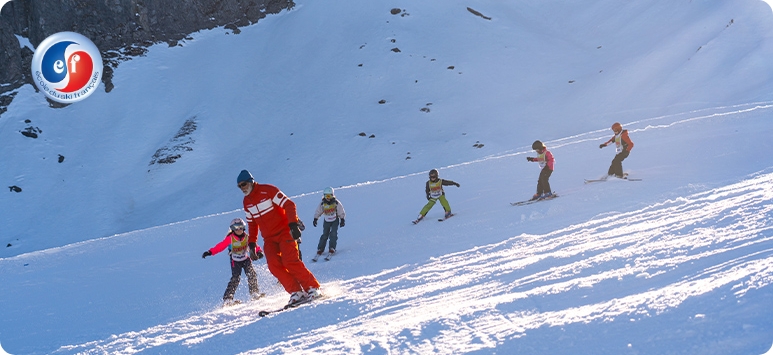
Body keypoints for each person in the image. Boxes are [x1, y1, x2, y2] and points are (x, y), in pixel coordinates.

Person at [236, 169, 321, 306]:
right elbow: (252, 224)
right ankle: (296, 292)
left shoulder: (268, 190)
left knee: (290, 261)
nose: (242, 188)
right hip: (269, 239)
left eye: (244, 184)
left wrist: (293, 225)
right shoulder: (246, 202)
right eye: (239, 186)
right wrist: (251, 243)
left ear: (251, 182)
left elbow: (289, 204)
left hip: (284, 232)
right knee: (273, 265)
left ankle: (312, 287)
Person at [202, 218, 264, 306]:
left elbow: (254, 245)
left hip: (245, 259)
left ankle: (254, 293)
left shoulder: (247, 237)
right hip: (235, 260)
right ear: (232, 229)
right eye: (236, 227)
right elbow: (221, 246)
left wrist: (259, 252)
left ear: (244, 227)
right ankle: (228, 299)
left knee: (252, 274)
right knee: (236, 278)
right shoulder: (230, 238)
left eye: (241, 227)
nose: (239, 230)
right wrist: (210, 252)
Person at [311, 187, 346, 261]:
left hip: (334, 220)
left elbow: (340, 210)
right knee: (325, 234)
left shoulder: (336, 202)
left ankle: (332, 248)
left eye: (329, 196)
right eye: (326, 196)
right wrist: (315, 218)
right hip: (326, 220)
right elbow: (318, 211)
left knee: (333, 234)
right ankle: (321, 248)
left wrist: (342, 219)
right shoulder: (323, 203)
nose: (328, 198)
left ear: (332, 195)